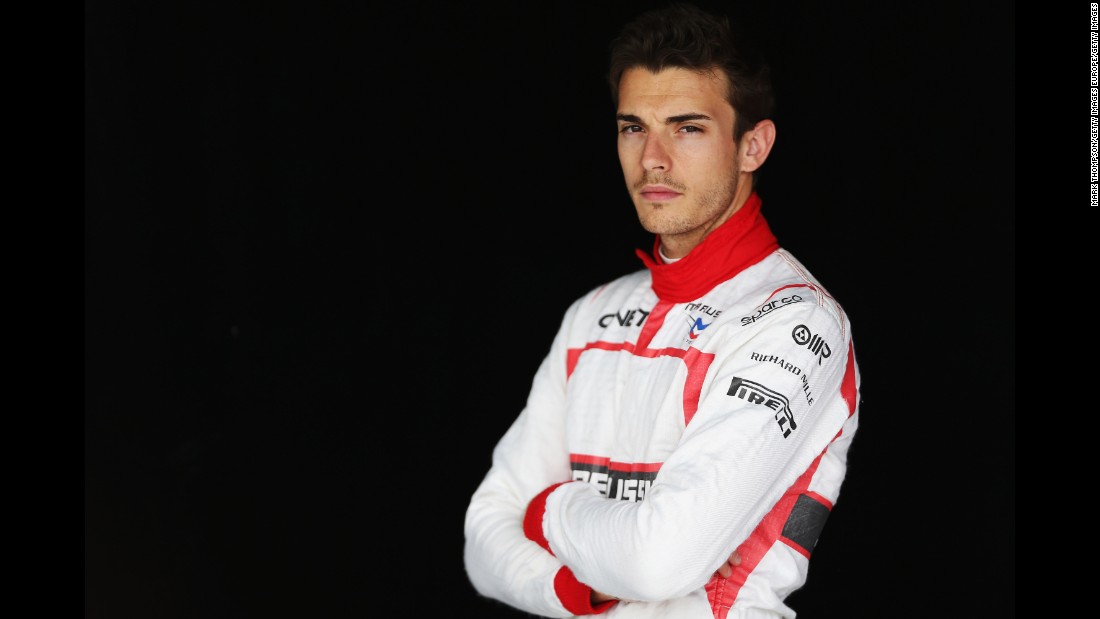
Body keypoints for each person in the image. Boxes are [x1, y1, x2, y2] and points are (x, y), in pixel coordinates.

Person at [463, 3, 861, 617]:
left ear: (752, 145)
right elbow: (483, 541)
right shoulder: (592, 314)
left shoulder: (798, 322)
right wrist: (581, 586)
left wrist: (548, 509)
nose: (653, 157)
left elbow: (657, 562)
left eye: (687, 128)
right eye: (632, 127)